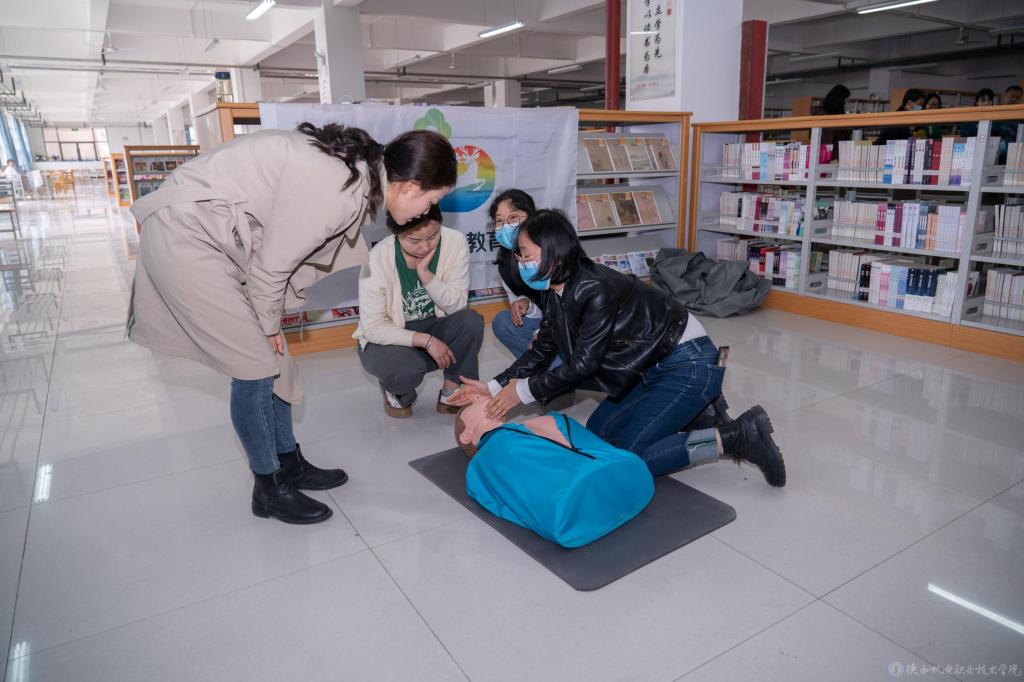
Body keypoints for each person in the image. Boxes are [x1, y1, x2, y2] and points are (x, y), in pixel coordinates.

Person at [128, 123, 457, 525]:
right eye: (432, 199)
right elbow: (273, 266)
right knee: (255, 367)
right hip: (187, 238)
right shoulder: (341, 187)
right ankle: (268, 488)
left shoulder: (355, 173)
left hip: (213, 237)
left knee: (278, 362)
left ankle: (288, 462)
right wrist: (268, 328)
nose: (426, 211)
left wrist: (270, 327)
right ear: (410, 185)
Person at [451, 210, 786, 486]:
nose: (520, 262)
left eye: (526, 254)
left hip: (688, 362)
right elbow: (542, 351)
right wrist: (492, 386)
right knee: (600, 437)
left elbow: (583, 365)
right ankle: (697, 413)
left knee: (630, 457)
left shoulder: (595, 287)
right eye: (519, 255)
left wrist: (521, 392)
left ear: (554, 253)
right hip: (648, 369)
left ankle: (734, 436)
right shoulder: (554, 290)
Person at [354, 203, 484, 418]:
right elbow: (374, 327)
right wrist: (426, 341)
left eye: (433, 236)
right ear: (396, 232)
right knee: (404, 368)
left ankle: (451, 391)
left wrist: (426, 276)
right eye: (414, 241)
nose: (425, 247)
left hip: (435, 324)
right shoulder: (376, 259)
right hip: (390, 337)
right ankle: (399, 392)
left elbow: (457, 304)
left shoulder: (454, 242)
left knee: (470, 322)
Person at [487, 189, 561, 368]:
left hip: (570, 323)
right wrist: (526, 302)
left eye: (513, 218)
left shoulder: (550, 249)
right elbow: (537, 305)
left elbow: (567, 306)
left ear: (532, 217)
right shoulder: (505, 263)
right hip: (545, 320)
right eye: (499, 221)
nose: (506, 227)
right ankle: (543, 370)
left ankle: (560, 371)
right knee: (503, 322)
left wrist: (542, 333)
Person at [819, 85, 852, 157]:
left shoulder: (828, 115)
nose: (847, 106)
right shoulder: (824, 117)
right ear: (840, 101)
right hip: (830, 156)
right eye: (846, 102)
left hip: (834, 154)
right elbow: (829, 141)